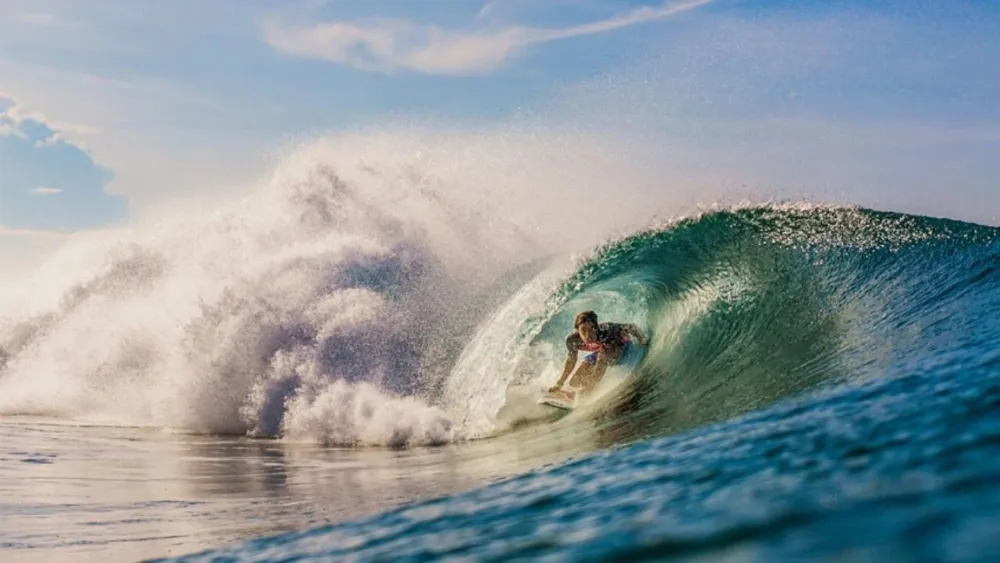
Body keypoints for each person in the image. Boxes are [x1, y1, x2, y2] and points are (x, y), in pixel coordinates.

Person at [547, 310, 648, 401]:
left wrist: (642, 339)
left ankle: (589, 390)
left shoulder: (607, 330)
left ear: (596, 327)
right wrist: (559, 383)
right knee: (575, 382)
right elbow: (571, 361)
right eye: (583, 330)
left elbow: (631, 327)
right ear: (577, 329)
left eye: (591, 329)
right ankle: (577, 391)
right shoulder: (572, 340)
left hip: (621, 348)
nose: (588, 335)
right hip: (600, 351)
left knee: (602, 355)